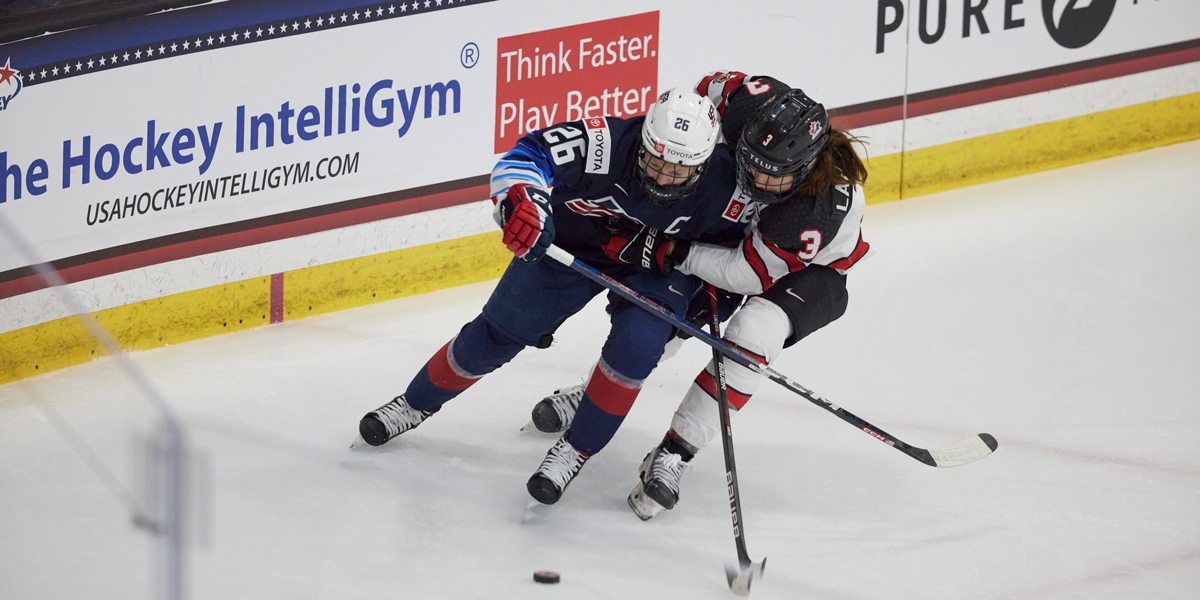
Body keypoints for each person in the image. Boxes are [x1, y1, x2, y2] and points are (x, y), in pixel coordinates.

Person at [356, 88, 755, 506]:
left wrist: (717, 297)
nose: (660, 177)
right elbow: (526, 156)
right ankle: (414, 404)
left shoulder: (729, 188)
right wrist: (522, 200)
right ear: (642, 144)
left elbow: (736, 257)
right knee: (496, 334)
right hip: (572, 245)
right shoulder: (605, 142)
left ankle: (573, 451)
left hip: (655, 268)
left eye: (676, 172)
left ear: (703, 163)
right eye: (654, 163)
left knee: (639, 344)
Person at [528, 72, 871, 520]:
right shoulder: (752, 100)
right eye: (749, 161)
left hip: (809, 270)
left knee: (754, 334)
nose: (751, 178)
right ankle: (594, 393)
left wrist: (674, 251)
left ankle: (675, 453)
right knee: (670, 320)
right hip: (743, 238)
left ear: (801, 170)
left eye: (769, 177)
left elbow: (745, 274)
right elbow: (698, 97)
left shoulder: (816, 208)